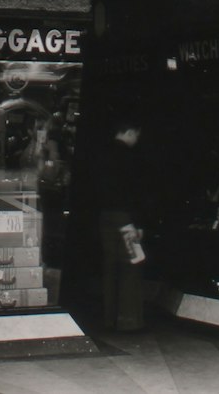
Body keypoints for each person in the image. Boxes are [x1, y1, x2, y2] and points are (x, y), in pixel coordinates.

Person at [97, 117, 145, 332]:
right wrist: (138, 223)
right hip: (125, 219)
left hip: (105, 215)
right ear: (130, 132)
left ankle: (108, 319)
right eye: (136, 135)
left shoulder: (101, 153)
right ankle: (127, 320)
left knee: (109, 267)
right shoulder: (130, 158)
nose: (137, 140)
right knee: (130, 265)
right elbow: (134, 192)